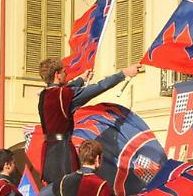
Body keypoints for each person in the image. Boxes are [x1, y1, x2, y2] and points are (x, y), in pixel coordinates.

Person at [38, 59, 141, 187]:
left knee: (51, 191)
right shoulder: (64, 95)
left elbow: (67, 89)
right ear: (57, 75)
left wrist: (81, 79)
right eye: (64, 72)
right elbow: (99, 87)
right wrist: (124, 73)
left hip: (48, 151)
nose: (66, 74)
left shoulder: (44, 94)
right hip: (62, 152)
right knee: (68, 191)